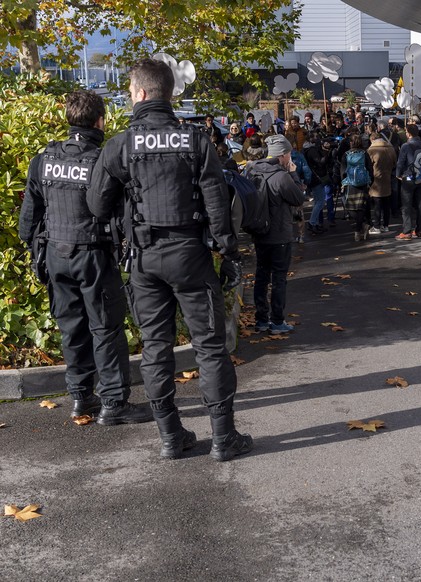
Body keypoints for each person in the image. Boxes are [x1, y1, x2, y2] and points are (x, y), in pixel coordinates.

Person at [87, 58, 252, 462]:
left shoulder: (120, 145)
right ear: (169, 93)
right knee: (210, 348)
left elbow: (96, 204)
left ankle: (170, 437)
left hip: (144, 260)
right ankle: (223, 438)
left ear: (140, 94)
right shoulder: (194, 140)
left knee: (156, 348)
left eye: (129, 92)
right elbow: (217, 201)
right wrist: (228, 252)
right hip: (191, 256)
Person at [18, 90, 152, 426]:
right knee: (105, 329)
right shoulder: (103, 161)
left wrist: (36, 251)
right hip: (92, 254)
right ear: (100, 120)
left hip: (55, 254)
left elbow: (28, 220)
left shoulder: (43, 160)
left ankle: (81, 397)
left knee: (71, 328)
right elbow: (121, 214)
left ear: (68, 119)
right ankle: (114, 402)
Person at [244, 135, 305, 333]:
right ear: (283, 155)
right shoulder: (282, 176)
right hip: (279, 234)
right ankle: (277, 321)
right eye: (289, 155)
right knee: (279, 278)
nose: (290, 159)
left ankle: (261, 320)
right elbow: (298, 198)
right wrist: (294, 174)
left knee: (261, 276)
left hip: (259, 232)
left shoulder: (252, 170)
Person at [394, 124, 421, 241]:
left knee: (406, 205)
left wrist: (398, 174)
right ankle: (419, 230)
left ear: (408, 133)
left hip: (408, 177)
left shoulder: (406, 145)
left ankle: (407, 231)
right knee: (420, 203)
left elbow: (401, 162)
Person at [340, 133, 374, 241]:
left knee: (351, 208)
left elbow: (342, 170)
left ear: (351, 143)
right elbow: (370, 168)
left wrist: (343, 182)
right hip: (363, 183)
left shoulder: (346, 154)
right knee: (361, 208)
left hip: (350, 184)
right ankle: (361, 228)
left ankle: (359, 229)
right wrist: (370, 181)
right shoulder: (364, 153)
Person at [367, 127, 397, 234]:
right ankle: (386, 225)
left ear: (372, 140)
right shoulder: (391, 148)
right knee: (386, 204)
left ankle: (376, 226)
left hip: (376, 180)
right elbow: (395, 163)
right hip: (387, 178)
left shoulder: (371, 150)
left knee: (377, 205)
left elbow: (368, 165)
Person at [305, 138, 334, 234]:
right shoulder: (312, 151)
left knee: (317, 201)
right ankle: (312, 223)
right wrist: (326, 152)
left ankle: (315, 224)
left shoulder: (312, 150)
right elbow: (321, 162)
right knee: (320, 202)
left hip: (316, 178)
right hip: (316, 179)